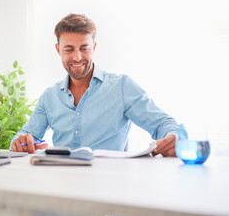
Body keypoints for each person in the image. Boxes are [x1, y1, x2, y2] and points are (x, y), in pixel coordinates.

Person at [11, 13, 180, 157]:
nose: (77, 57)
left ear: (94, 47)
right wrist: (20, 141)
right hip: (62, 185)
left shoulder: (121, 87)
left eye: (84, 48)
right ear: (58, 49)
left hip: (108, 187)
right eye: (69, 49)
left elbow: (163, 124)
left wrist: (174, 137)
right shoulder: (50, 96)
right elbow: (26, 135)